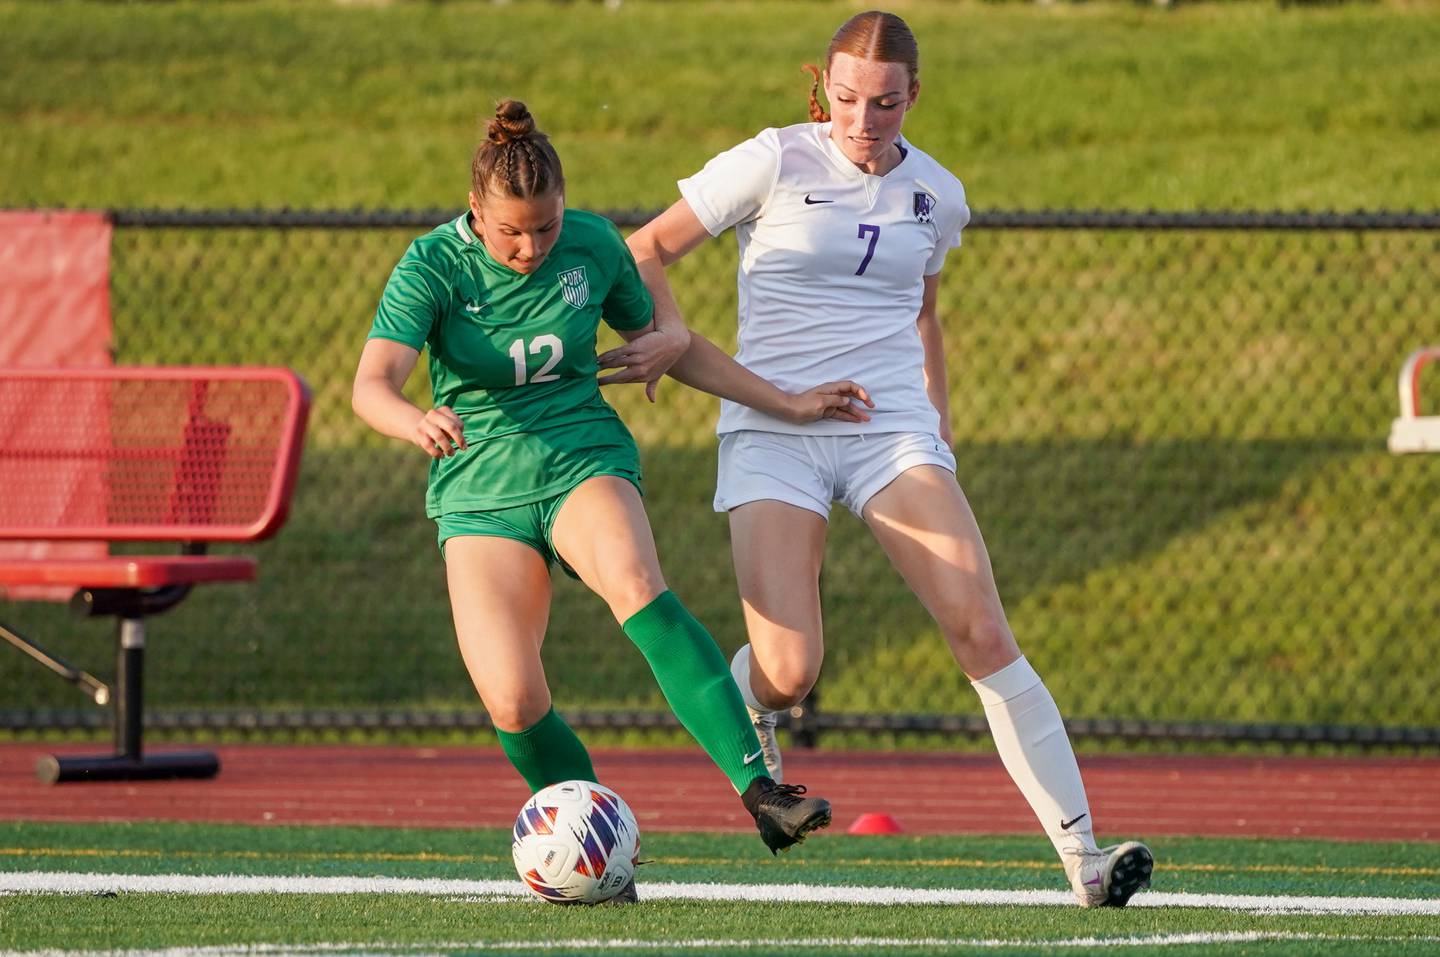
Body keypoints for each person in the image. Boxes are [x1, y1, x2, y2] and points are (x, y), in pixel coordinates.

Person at [615, 11, 1155, 908]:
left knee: (981, 627)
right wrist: (670, 332)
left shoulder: (938, 193)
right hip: (773, 423)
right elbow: (647, 248)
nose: (865, 121)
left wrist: (934, 428)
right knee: (790, 670)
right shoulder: (774, 159)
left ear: (915, 97)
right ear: (819, 86)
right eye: (847, 98)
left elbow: (923, 311)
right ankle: (750, 702)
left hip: (889, 427)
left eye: (887, 104)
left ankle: (1086, 859)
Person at [351, 100, 862, 897]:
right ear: (475, 211)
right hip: (479, 490)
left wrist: (780, 398)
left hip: (582, 457)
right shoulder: (431, 266)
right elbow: (370, 385)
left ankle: (764, 792)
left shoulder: (590, 245)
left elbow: (670, 341)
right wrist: (412, 417)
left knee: (635, 584)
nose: (531, 248)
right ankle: (596, 852)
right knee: (513, 697)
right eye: (511, 232)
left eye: (546, 228)